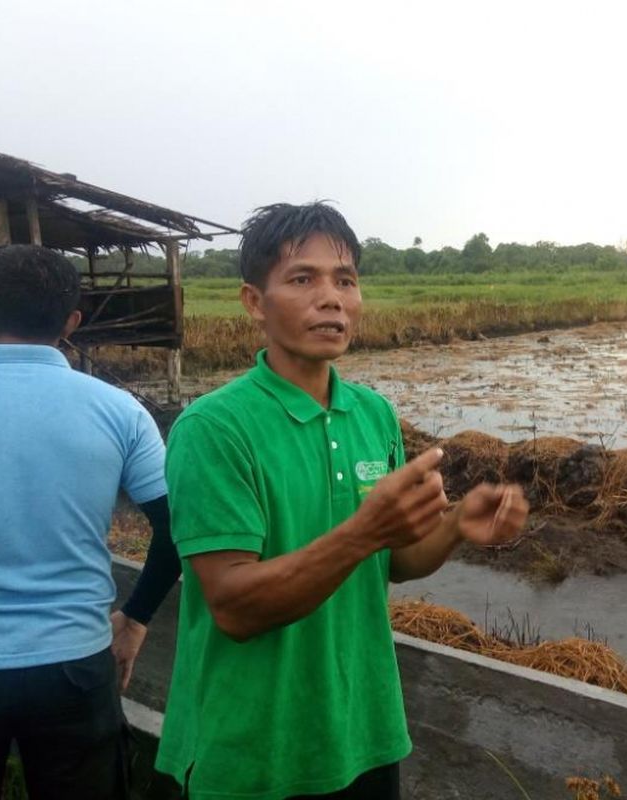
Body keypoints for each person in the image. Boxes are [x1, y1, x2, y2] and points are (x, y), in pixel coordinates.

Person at [156, 202, 530, 800]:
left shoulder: (372, 413)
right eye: (303, 279)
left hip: (364, 736)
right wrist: (362, 529)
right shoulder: (214, 429)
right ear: (254, 301)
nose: (331, 299)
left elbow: (395, 560)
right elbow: (234, 606)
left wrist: (456, 522)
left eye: (346, 280)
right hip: (251, 753)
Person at [0, 244, 177, 800]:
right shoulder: (120, 410)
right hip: (75, 665)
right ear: (72, 323)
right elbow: (175, 532)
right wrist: (136, 617)